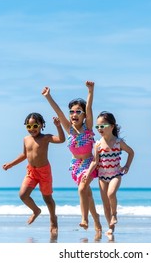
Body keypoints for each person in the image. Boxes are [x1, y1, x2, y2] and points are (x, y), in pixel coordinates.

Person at [42, 81, 102, 233]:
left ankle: (84, 219)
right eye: (72, 112)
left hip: (90, 163)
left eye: (78, 111)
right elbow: (59, 112)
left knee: (82, 189)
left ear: (84, 115)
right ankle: (97, 221)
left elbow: (89, 107)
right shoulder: (69, 129)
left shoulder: (87, 127)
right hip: (76, 165)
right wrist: (48, 97)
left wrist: (90, 91)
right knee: (88, 195)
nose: (74, 114)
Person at [2, 112, 65, 236]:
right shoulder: (26, 139)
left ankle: (53, 220)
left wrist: (58, 126)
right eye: (29, 126)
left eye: (35, 126)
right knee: (23, 195)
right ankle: (36, 210)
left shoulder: (46, 138)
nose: (32, 129)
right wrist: (11, 164)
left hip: (44, 171)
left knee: (47, 198)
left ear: (41, 125)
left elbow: (62, 140)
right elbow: (25, 155)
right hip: (31, 171)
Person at [84, 111, 134, 235]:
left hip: (115, 175)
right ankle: (110, 227)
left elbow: (131, 152)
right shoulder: (98, 144)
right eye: (98, 126)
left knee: (111, 193)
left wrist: (127, 166)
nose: (100, 129)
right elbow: (95, 162)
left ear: (112, 126)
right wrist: (88, 173)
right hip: (102, 177)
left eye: (103, 126)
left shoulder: (118, 142)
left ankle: (115, 214)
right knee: (105, 205)